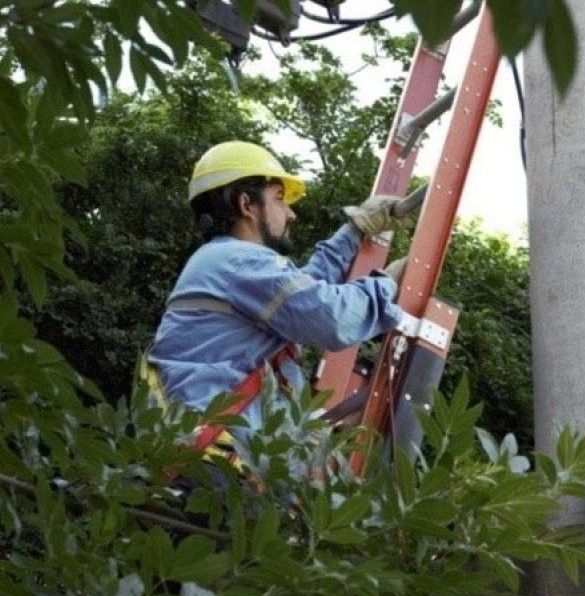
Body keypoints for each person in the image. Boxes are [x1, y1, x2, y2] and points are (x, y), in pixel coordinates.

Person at [146, 140, 409, 478]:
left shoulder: (224, 263)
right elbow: (329, 317)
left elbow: (301, 291)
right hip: (216, 470)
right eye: (279, 199)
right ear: (247, 204)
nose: (291, 213)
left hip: (202, 461)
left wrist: (355, 231)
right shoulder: (240, 262)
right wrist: (386, 286)